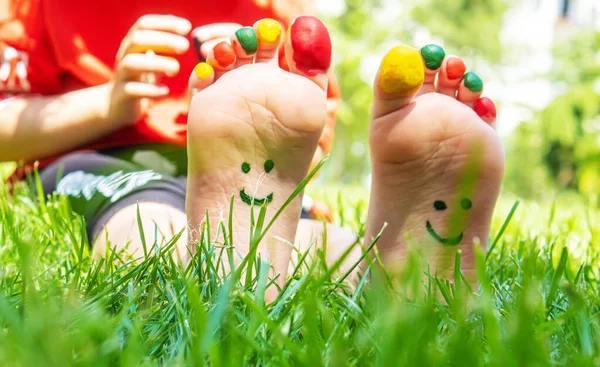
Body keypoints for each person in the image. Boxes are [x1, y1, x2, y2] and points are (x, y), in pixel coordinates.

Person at [1, 0, 505, 286]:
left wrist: (277, 89)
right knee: (146, 223)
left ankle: (401, 277)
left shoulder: (269, 7)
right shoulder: (45, 7)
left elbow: (310, 136)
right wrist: (108, 104)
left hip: (248, 176)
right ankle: (246, 263)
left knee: (317, 239)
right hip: (109, 156)